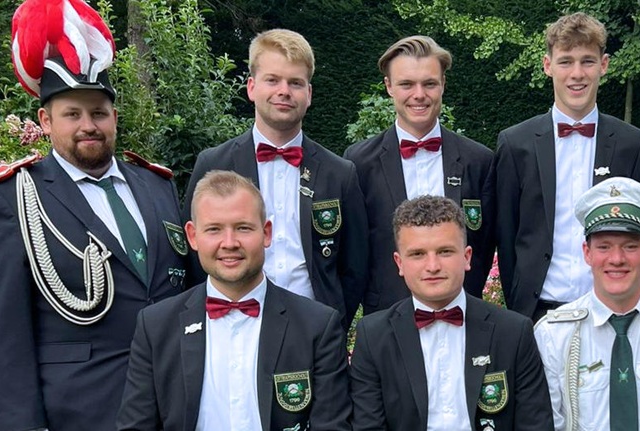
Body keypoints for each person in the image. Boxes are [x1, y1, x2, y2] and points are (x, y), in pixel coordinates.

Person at [0, 2, 192, 430]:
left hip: (175, 403)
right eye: (72, 114)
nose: (89, 125)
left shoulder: (157, 186)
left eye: (99, 113)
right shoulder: (15, 197)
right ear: (45, 121)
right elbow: (6, 331)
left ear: (114, 118)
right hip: (80, 410)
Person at [116, 171, 351, 430]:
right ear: (192, 236)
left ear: (266, 233)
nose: (229, 243)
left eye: (243, 228)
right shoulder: (156, 327)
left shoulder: (317, 326)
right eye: (214, 229)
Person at [184, 29, 368, 330]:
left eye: (295, 83)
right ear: (251, 87)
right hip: (231, 323)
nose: (284, 91)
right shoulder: (213, 163)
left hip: (315, 328)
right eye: (272, 80)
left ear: (309, 94)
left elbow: (355, 266)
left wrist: (333, 325)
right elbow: (194, 255)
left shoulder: (339, 173)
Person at [494, 12, 640, 321]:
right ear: (548, 65)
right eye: (566, 61)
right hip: (536, 312)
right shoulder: (516, 144)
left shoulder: (631, 143)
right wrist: (519, 309)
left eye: (587, 61)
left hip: (612, 309)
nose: (577, 73)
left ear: (604, 65)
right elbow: (506, 233)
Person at [350, 195, 553, 431]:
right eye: (417, 254)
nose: (433, 266)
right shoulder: (373, 337)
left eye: (445, 251)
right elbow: (368, 426)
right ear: (399, 263)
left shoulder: (513, 333)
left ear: (467, 257)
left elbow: (535, 425)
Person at [535, 177, 640, 430]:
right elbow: (549, 423)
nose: (616, 259)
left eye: (630, 246)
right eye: (604, 247)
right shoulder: (554, 334)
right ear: (587, 253)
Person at [344, 35, 495, 314]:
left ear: (443, 84)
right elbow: (354, 250)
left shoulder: (479, 161)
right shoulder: (358, 163)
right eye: (406, 84)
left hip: (463, 314)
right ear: (389, 86)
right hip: (386, 317)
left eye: (429, 83)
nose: (419, 94)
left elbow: (484, 245)